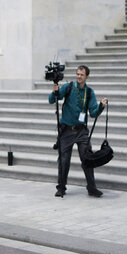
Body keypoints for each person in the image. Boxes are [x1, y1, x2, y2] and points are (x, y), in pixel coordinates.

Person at [49, 64, 108, 198]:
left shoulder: (89, 92)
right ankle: (61, 188)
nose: (79, 77)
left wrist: (101, 106)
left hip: (81, 131)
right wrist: (55, 92)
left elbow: (93, 113)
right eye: (77, 74)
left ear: (87, 77)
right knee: (64, 160)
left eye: (82, 75)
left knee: (87, 158)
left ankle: (92, 188)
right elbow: (52, 100)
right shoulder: (69, 87)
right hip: (66, 130)